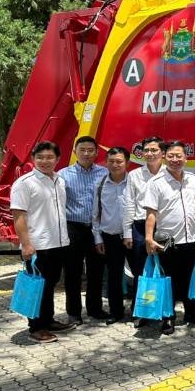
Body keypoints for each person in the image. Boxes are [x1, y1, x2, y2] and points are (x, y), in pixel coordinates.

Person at [9, 141, 77, 343]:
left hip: (58, 243)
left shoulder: (59, 180)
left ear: (57, 159)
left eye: (49, 157)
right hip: (38, 245)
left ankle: (48, 320)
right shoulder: (25, 183)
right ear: (33, 159)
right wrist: (26, 244)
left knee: (51, 284)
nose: (45, 161)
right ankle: (36, 327)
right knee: (38, 286)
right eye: (40, 157)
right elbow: (18, 216)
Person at [144, 141, 195, 335]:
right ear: (164, 157)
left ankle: (191, 313)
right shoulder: (156, 183)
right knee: (168, 281)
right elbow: (151, 213)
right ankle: (168, 318)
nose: (175, 160)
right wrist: (148, 237)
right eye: (171, 156)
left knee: (190, 279)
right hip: (168, 242)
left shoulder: (192, 179)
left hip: (192, 239)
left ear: (186, 158)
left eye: (179, 156)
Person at [60, 136, 109, 323]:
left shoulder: (104, 173)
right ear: (75, 151)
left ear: (96, 152)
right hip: (73, 228)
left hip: (97, 229)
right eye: (82, 150)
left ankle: (95, 309)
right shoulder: (63, 175)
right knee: (73, 272)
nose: (87, 153)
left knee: (96, 271)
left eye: (90, 150)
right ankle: (73, 313)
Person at [123, 136, 165, 326]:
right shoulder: (135, 175)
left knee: (164, 269)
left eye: (154, 150)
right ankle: (141, 310)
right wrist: (127, 232)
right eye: (146, 150)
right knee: (141, 271)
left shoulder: (169, 173)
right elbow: (129, 204)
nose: (150, 154)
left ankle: (163, 309)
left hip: (163, 227)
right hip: (140, 227)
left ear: (162, 153)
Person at [92, 147, 136, 324]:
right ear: (106, 162)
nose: (115, 165)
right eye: (111, 161)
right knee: (113, 276)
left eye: (119, 161)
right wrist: (98, 238)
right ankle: (116, 312)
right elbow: (95, 215)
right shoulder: (101, 185)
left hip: (132, 237)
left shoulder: (134, 182)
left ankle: (138, 311)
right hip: (110, 237)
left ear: (127, 163)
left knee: (139, 274)